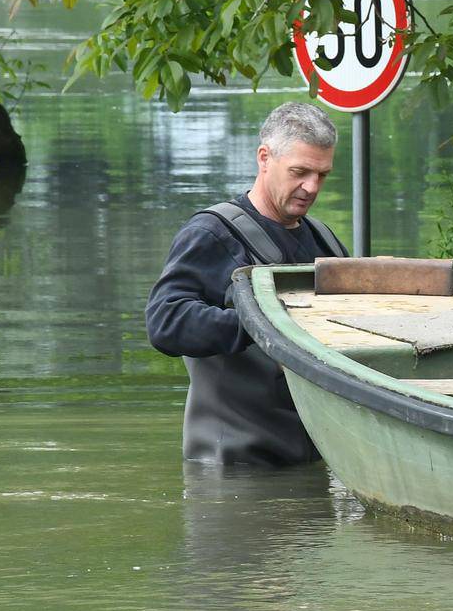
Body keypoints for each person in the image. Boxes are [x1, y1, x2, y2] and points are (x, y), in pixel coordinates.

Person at [147, 102, 349, 465]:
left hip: (317, 460)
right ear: (264, 158)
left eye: (322, 175)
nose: (311, 187)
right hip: (232, 469)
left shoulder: (326, 243)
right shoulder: (212, 234)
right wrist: (265, 325)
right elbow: (166, 322)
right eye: (300, 172)